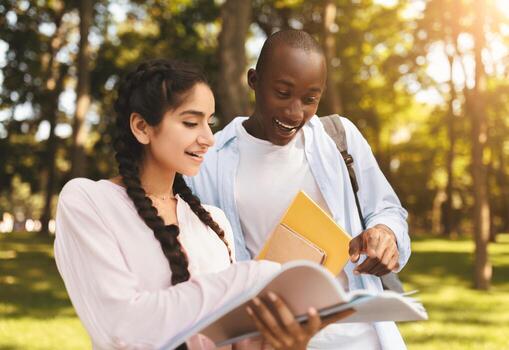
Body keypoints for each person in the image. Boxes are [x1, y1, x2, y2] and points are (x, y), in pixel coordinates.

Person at [53, 59, 350, 350]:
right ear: (142, 127)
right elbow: (121, 328)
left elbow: (232, 340)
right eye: (191, 122)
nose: (208, 138)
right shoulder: (88, 202)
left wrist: (284, 341)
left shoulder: (213, 223)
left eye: (209, 122)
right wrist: (250, 276)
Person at [187, 29, 411, 349]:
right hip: (275, 342)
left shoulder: (339, 137)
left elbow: (388, 209)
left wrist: (386, 234)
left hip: (361, 338)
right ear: (254, 80)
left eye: (309, 99)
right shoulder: (210, 160)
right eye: (282, 92)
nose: (295, 113)